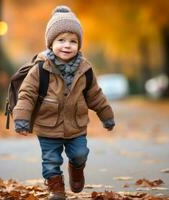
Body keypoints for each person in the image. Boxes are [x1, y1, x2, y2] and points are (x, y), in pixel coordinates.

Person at [13, 5, 115, 200]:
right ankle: (56, 189)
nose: (67, 45)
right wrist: (22, 118)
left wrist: (107, 116)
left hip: (76, 126)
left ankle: (76, 168)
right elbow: (27, 94)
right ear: (51, 43)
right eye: (61, 40)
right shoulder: (40, 68)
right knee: (50, 161)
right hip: (47, 126)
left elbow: (95, 95)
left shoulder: (85, 69)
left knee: (80, 154)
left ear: (79, 44)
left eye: (73, 41)